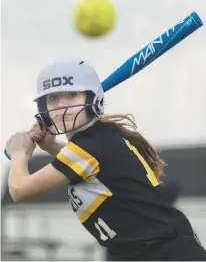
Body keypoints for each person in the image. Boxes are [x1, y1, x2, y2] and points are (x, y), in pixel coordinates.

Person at [6, 59, 206, 261]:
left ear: (93, 99)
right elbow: (86, 166)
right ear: (44, 106)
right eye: (53, 98)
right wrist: (50, 146)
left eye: (72, 95)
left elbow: (20, 190)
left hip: (164, 255)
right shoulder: (98, 138)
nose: (62, 105)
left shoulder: (88, 147)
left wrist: (19, 153)